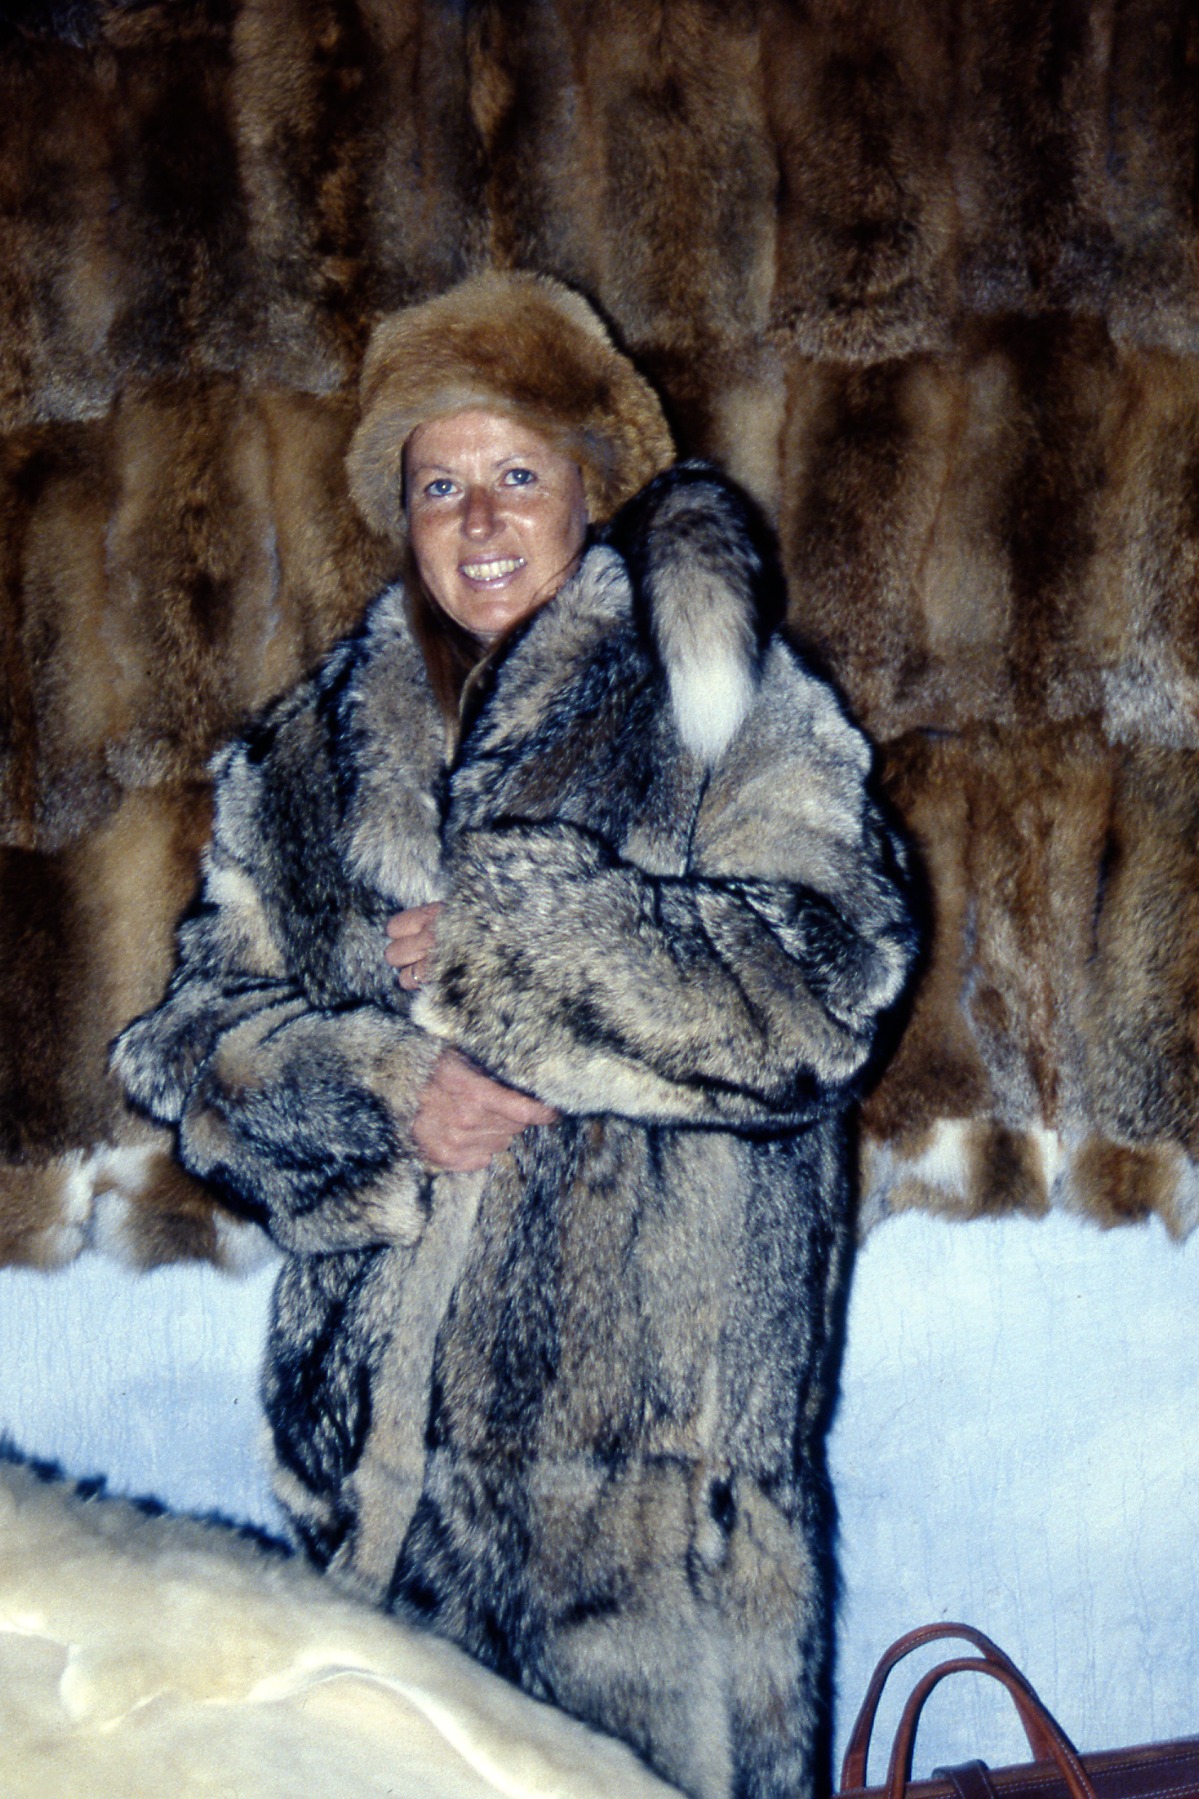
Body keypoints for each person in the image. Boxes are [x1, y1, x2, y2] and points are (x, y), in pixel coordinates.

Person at [113, 271, 918, 1799]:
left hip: (652, 1544)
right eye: (441, 485)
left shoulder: (725, 710)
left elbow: (828, 988)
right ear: (401, 514)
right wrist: (382, 1093)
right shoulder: (304, 761)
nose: (479, 521)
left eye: (517, 477)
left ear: (588, 490)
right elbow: (190, 1047)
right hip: (377, 1507)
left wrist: (521, 943)